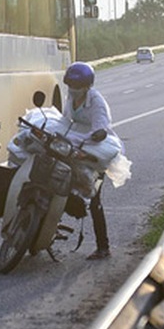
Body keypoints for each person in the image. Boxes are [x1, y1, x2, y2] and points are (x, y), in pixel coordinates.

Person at [62, 61, 117, 260]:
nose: (73, 91)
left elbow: (99, 130)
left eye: (78, 87)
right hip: (75, 144)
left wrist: (84, 150)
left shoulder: (97, 102)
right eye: (71, 86)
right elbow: (65, 120)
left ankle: (104, 246)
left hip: (96, 149)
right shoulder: (70, 96)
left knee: (94, 200)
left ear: (87, 87)